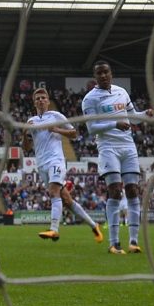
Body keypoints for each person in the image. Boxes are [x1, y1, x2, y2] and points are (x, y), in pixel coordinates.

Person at [82, 61, 153, 254]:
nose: (103, 76)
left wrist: (144, 115)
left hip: (128, 146)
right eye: (99, 73)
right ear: (95, 76)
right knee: (115, 191)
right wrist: (114, 123)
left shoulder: (122, 92)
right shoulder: (90, 99)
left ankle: (133, 241)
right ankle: (114, 243)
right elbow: (91, 128)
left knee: (132, 190)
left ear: (111, 74)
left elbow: (132, 117)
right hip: (108, 147)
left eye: (106, 72)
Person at [27, 87, 104, 243]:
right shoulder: (31, 122)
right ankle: (93, 225)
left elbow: (74, 133)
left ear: (48, 101)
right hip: (41, 164)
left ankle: (54, 229)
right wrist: (24, 134)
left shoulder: (56, 116)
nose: (41, 100)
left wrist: (56, 129)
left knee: (53, 192)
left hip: (56, 160)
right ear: (34, 102)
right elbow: (26, 148)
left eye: (43, 98)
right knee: (67, 201)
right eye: (38, 98)